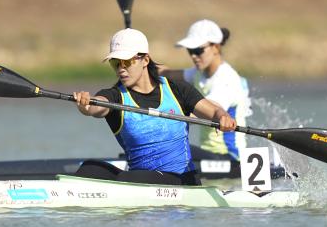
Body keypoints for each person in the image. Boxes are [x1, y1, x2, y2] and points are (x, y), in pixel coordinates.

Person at [73, 28, 237, 186]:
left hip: (182, 181)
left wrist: (224, 117)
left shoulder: (177, 90)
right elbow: (95, 108)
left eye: (127, 62)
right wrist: (85, 105)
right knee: (89, 168)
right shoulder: (115, 96)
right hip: (138, 179)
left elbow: (214, 111)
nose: (121, 69)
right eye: (115, 63)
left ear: (145, 60)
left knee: (130, 179)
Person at [160, 19, 252, 161]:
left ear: (215, 47)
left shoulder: (227, 79)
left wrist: (160, 115)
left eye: (198, 50)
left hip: (231, 157)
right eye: (190, 51)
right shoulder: (199, 72)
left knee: (171, 148)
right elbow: (169, 74)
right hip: (209, 155)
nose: (194, 56)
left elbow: (204, 111)